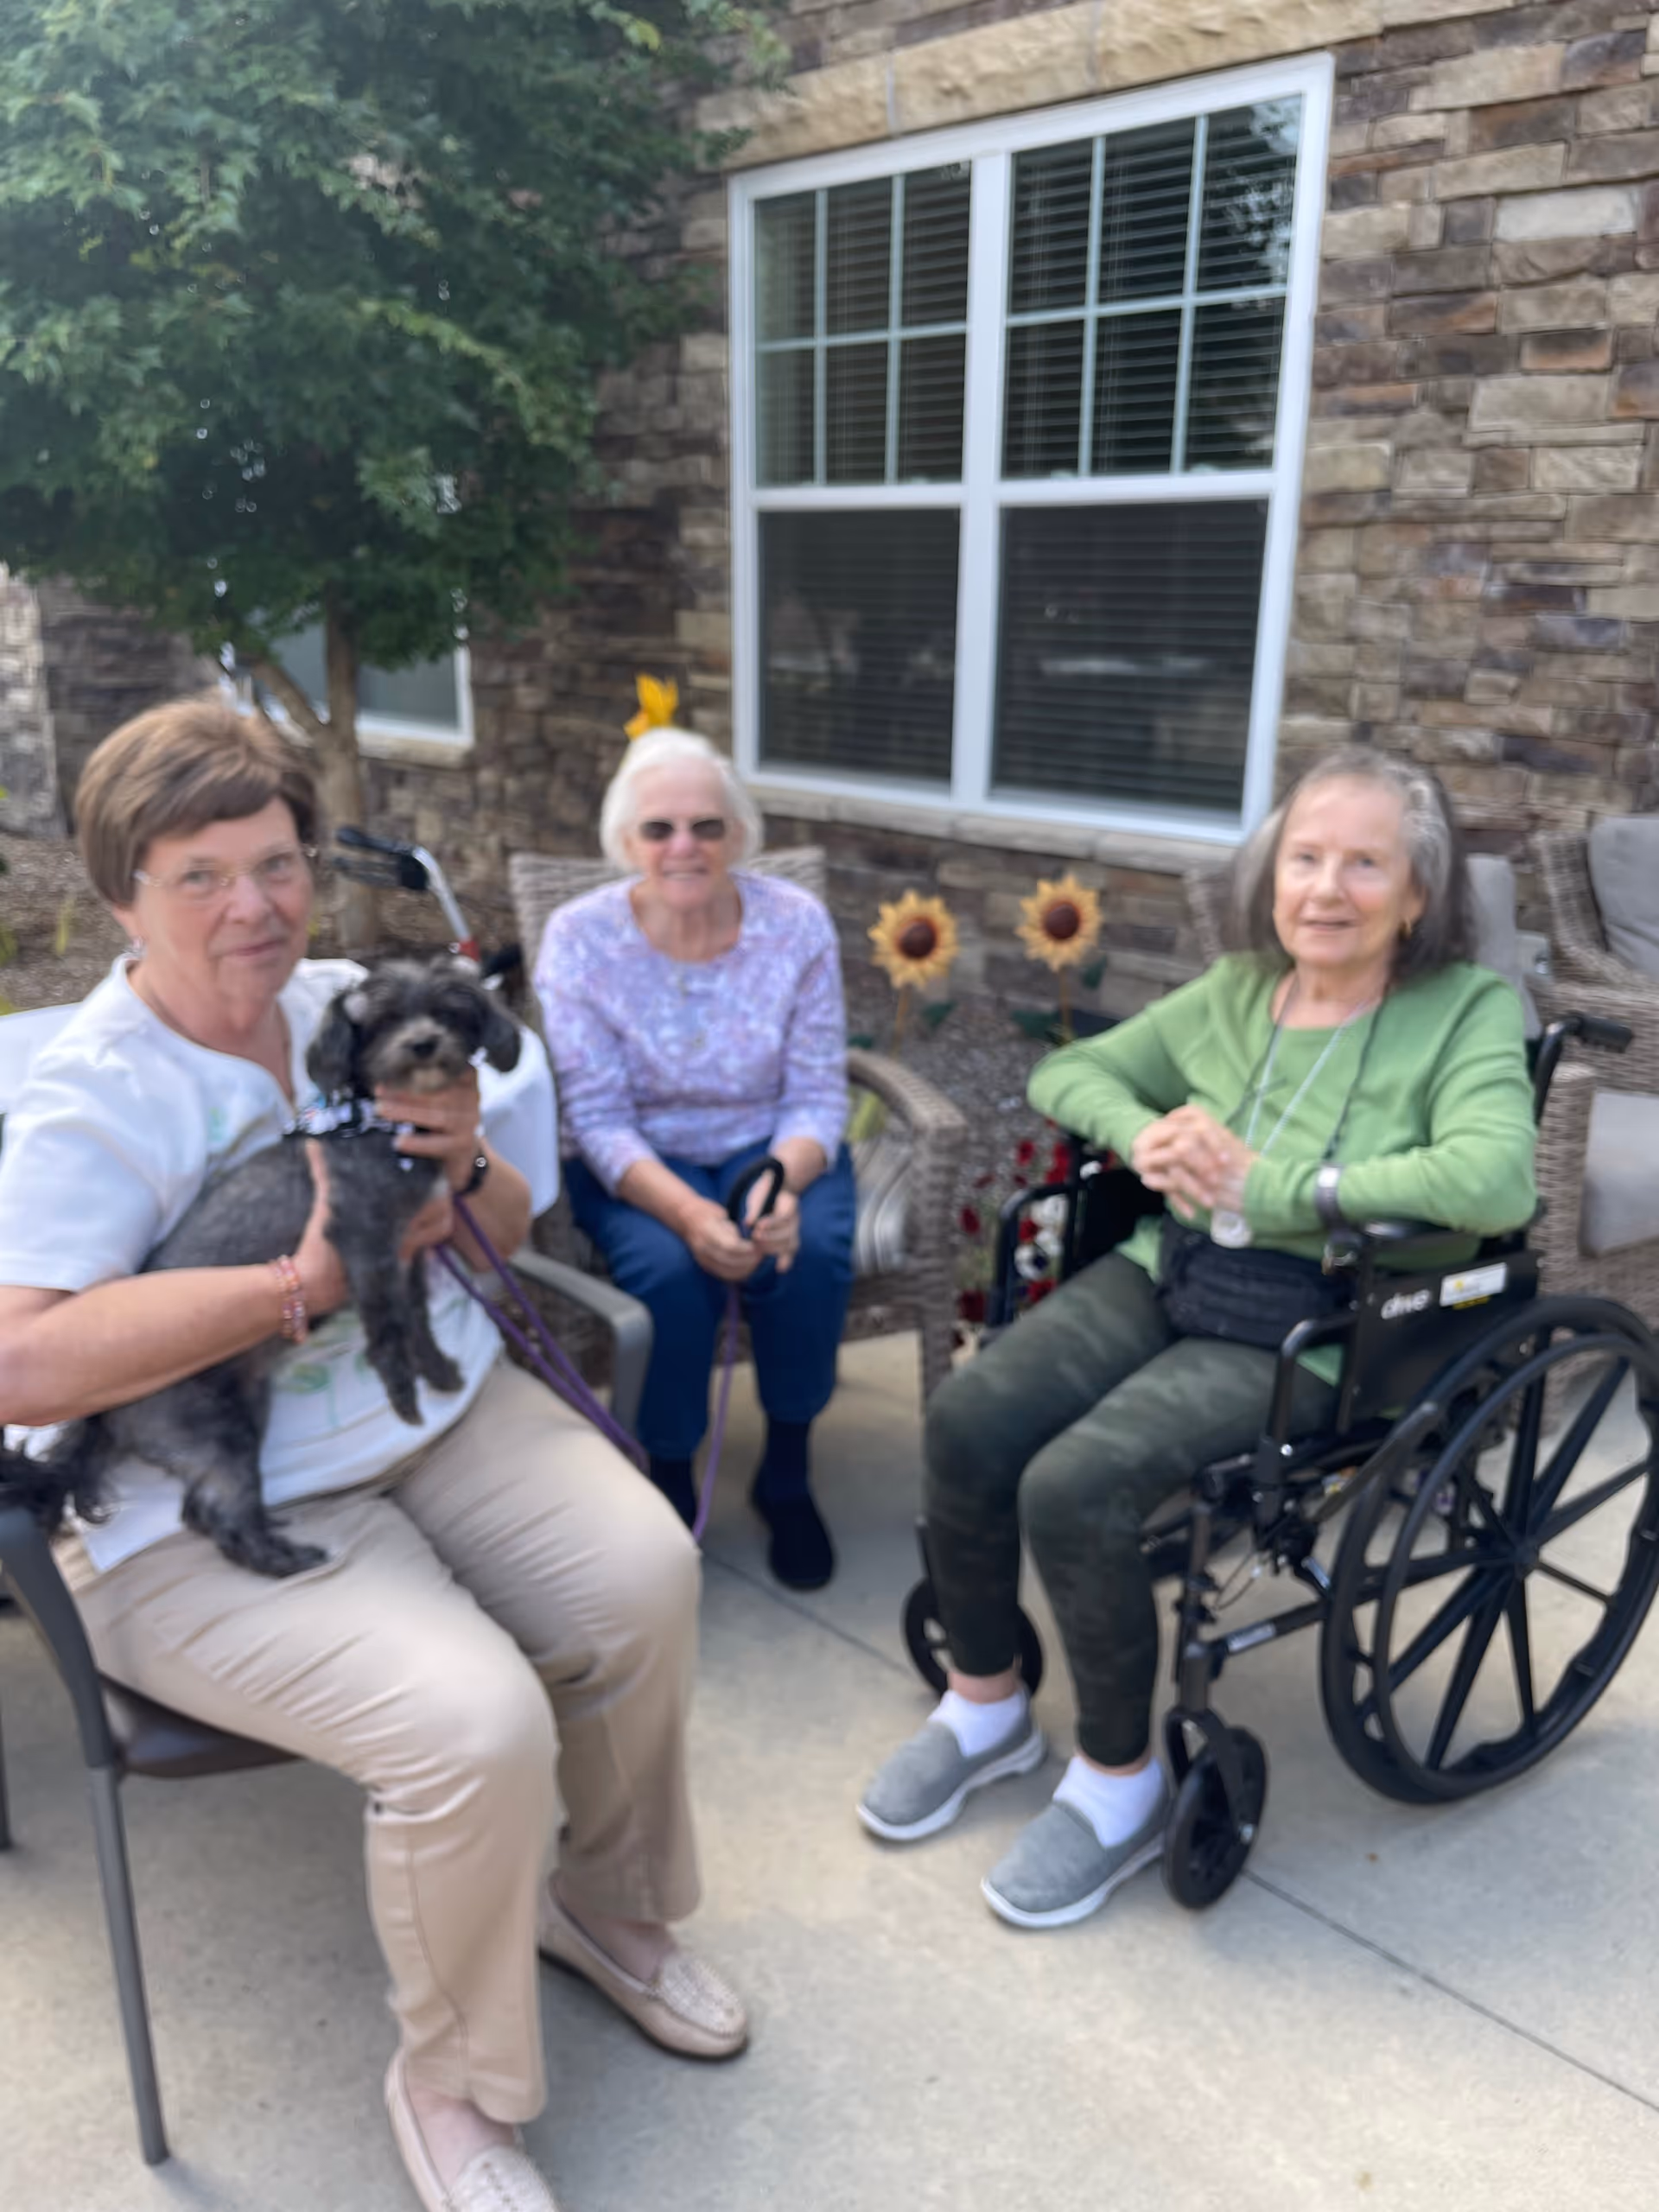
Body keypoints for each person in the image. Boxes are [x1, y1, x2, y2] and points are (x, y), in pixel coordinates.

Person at [0, 698, 746, 2212]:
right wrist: (297, 1287)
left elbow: (512, 1212)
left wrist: (464, 1163)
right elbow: (19, 1358)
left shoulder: (356, 1004)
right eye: (197, 875)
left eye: (274, 863)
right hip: (197, 1497)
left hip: (439, 1411)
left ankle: (605, 1910)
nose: (253, 906)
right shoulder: (93, 1094)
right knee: (472, 1726)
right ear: (121, 893)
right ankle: (454, 2082)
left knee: (645, 1574)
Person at [857, 747, 1538, 1930]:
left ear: (1417, 895)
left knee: (1075, 1485)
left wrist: (1288, 1187)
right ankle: (985, 1704)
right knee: (970, 1418)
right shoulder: (1235, 989)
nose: (1325, 888)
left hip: (1328, 1318)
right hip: (1170, 1267)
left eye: (1364, 863)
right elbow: (1074, 1071)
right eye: (1305, 858)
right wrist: (1150, 1135)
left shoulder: (1464, 1009)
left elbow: (1496, 1176)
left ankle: (1121, 1785)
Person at [534, 725, 855, 1592]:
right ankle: (669, 1467)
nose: (685, 847)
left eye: (707, 827)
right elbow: (594, 1117)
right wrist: (690, 1211)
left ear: (739, 835)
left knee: (811, 1250)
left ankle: (787, 1464)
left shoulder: (796, 924)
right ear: (624, 843)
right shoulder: (578, 938)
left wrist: (782, 1185)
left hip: (770, 1140)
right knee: (671, 1274)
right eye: (659, 830)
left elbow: (820, 1091)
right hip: (637, 1159)